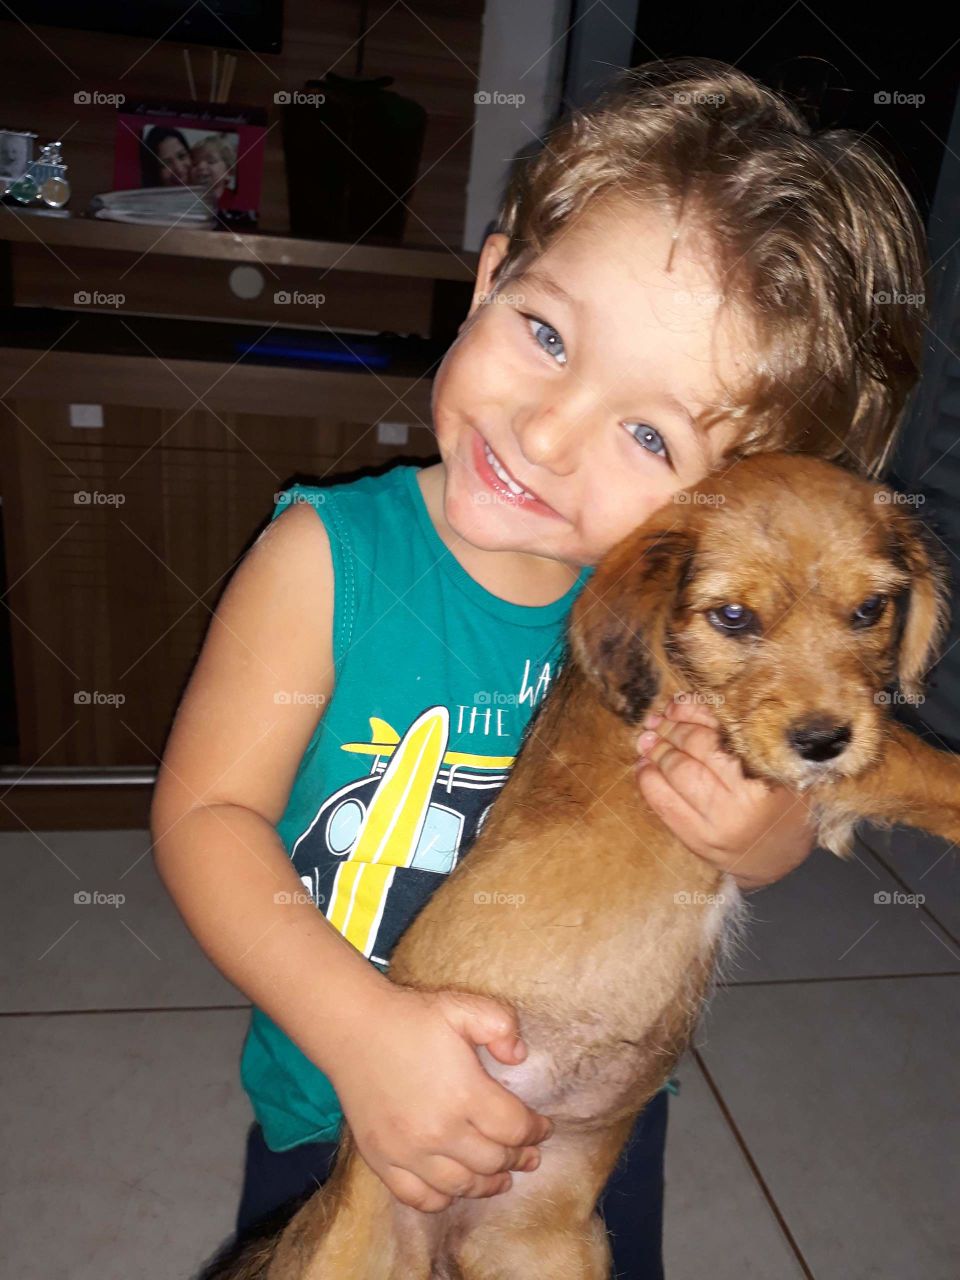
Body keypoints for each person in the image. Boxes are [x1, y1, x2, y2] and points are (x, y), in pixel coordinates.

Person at [151, 57, 927, 1278]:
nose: (549, 430)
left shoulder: (694, 610)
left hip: (590, 1126)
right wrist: (363, 1035)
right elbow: (204, 815)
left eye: (648, 431)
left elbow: (784, 801)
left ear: (732, 494)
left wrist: (760, 834)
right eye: (547, 331)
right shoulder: (326, 558)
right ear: (490, 276)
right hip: (346, 1096)